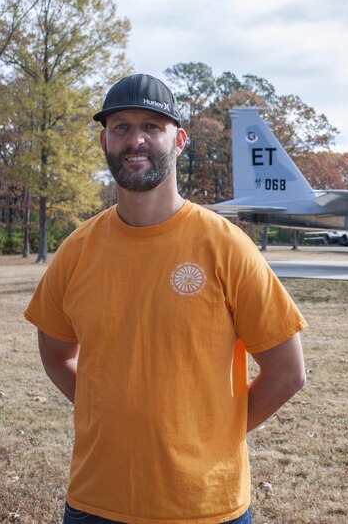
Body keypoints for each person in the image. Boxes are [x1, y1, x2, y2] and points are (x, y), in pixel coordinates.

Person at [24, 73, 307, 524]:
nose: (136, 139)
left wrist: (212, 436)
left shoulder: (225, 245)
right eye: (121, 127)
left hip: (204, 507)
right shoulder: (77, 250)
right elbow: (56, 353)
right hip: (96, 502)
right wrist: (108, 414)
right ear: (104, 140)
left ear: (178, 140)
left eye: (152, 126)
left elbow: (288, 372)